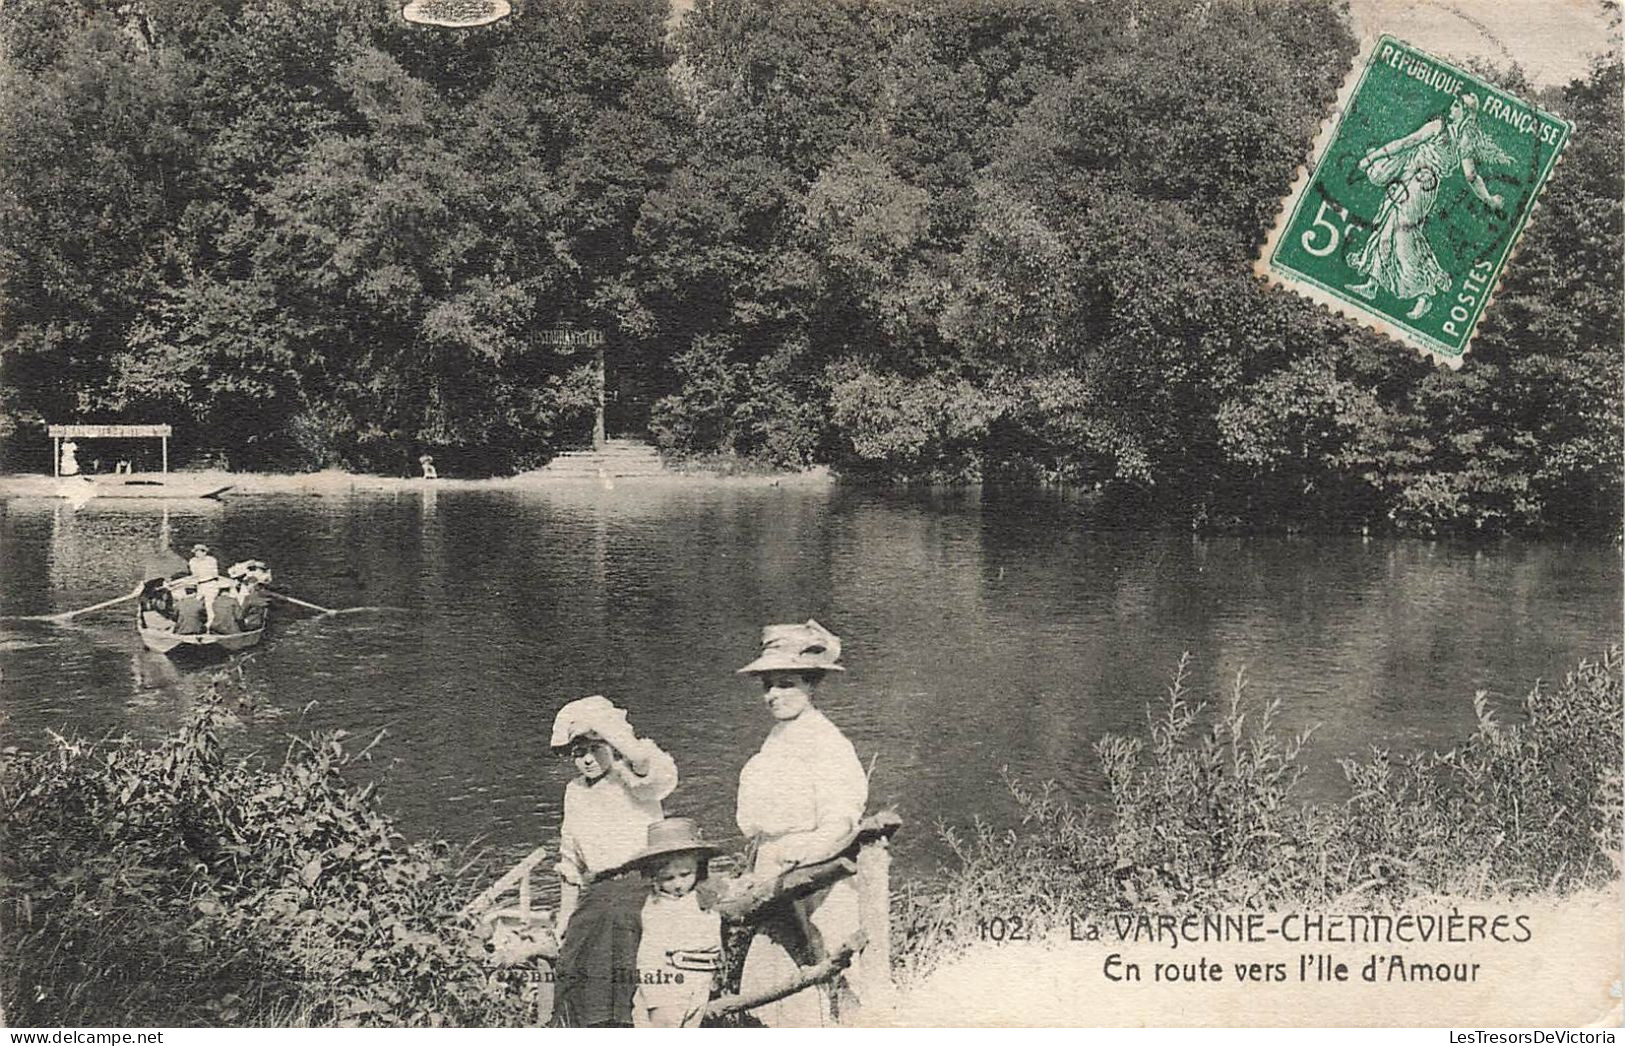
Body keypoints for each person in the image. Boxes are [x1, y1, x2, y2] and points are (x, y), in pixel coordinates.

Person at [734, 619, 868, 1027]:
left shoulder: (828, 744)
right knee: (772, 988)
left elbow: (841, 823)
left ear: (812, 685)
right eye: (768, 685)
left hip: (812, 883)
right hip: (771, 880)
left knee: (821, 981)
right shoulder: (778, 738)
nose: (773, 694)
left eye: (786, 683)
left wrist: (797, 859)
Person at [549, 695, 679, 1027]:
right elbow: (570, 861)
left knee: (633, 975)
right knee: (573, 970)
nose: (588, 760)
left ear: (612, 746)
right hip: (598, 893)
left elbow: (650, 767)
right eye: (579, 753)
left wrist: (607, 728)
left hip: (640, 888)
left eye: (596, 748)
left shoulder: (635, 777)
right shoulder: (574, 791)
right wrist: (564, 917)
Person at [1345, 92, 1511, 320]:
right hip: (1409, 180)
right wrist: (1489, 198)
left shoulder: (1450, 133)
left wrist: (1373, 158)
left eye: (1456, 105)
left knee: (1404, 235)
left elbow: (1468, 174)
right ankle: (1373, 283)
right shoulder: (1451, 133)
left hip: (1420, 187)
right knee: (1387, 226)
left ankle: (1424, 294)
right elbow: (1468, 174)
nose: (1451, 108)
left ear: (1465, 112)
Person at [620, 818, 722, 1028]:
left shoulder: (701, 896)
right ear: (654, 877)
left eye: (685, 875)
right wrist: (656, 1002)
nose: (678, 884)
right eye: (668, 878)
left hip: (699, 982)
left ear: (698, 866)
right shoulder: (657, 907)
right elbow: (649, 956)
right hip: (668, 986)